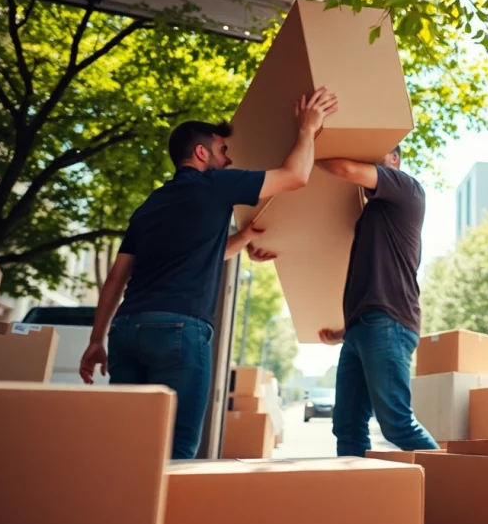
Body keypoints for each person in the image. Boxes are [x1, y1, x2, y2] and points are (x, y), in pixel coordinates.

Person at [79, 88, 338, 459]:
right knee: (179, 446)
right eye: (223, 151)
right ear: (201, 153)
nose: (229, 160)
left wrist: (96, 340)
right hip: (178, 332)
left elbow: (116, 279)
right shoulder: (215, 185)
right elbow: (296, 175)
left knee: (131, 445)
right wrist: (308, 128)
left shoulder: (150, 205)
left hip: (127, 331)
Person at [315, 145, 439, 457]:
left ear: (394, 159)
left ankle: (460, 488)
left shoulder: (406, 188)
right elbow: (373, 278)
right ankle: (357, 498)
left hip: (388, 323)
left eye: (378, 152)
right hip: (364, 327)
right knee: (346, 425)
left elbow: (345, 170)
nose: (367, 156)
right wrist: (346, 329)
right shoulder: (372, 214)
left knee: (397, 423)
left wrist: (306, 151)